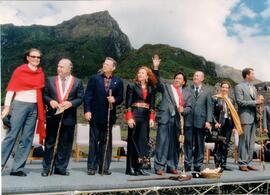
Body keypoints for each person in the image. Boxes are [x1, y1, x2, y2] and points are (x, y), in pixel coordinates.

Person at [1, 48, 45, 176]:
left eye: (38, 57)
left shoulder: (40, 73)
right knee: (12, 135)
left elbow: (41, 92)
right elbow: (11, 89)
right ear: (28, 57)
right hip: (20, 104)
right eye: (33, 56)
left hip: (34, 106)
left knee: (27, 138)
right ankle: (1, 163)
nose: (36, 59)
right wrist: (7, 107)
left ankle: (17, 168)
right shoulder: (19, 71)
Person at [41, 58, 84, 176]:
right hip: (53, 115)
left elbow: (80, 98)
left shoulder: (77, 82)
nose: (58, 68)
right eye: (58, 66)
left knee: (65, 144)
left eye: (61, 67)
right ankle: (47, 168)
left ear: (69, 68)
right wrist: (50, 102)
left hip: (69, 117)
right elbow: (44, 95)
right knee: (50, 142)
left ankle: (61, 168)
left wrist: (71, 103)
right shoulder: (50, 80)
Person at [152, 55, 193, 175]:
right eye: (176, 78)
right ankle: (159, 167)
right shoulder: (166, 87)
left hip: (177, 121)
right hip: (165, 118)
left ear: (184, 82)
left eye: (180, 78)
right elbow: (157, 82)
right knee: (162, 142)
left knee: (174, 145)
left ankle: (171, 166)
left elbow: (189, 108)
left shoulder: (187, 93)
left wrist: (183, 110)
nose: (177, 79)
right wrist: (155, 67)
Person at [84, 57, 124, 175]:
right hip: (95, 115)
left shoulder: (118, 81)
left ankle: (104, 167)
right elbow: (88, 96)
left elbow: (121, 97)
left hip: (108, 117)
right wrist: (87, 111)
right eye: (104, 64)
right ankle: (91, 167)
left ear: (113, 67)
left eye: (107, 64)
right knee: (93, 142)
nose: (105, 65)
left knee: (106, 142)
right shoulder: (94, 79)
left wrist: (114, 99)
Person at [125, 66, 157, 176]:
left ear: (147, 76)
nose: (140, 74)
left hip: (145, 117)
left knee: (143, 143)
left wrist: (152, 119)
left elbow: (152, 106)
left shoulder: (151, 89)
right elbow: (128, 104)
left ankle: (140, 167)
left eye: (142, 73)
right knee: (133, 142)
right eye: (139, 73)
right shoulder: (131, 86)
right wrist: (129, 117)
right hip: (135, 114)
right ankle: (131, 168)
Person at [234, 68, 264, 171]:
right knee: (244, 141)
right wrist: (256, 102)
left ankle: (249, 162)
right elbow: (240, 102)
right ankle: (242, 163)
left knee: (251, 141)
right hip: (244, 117)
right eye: (252, 73)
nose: (254, 75)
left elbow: (256, 102)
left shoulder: (254, 88)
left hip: (253, 118)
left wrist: (260, 102)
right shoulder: (239, 87)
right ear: (247, 75)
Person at [212, 80, 243, 172]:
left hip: (228, 124)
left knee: (226, 144)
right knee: (218, 144)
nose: (225, 89)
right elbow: (212, 112)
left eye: (226, 87)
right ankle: (217, 165)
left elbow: (233, 114)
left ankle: (224, 164)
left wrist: (234, 126)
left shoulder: (231, 100)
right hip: (219, 124)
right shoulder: (215, 98)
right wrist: (215, 122)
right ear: (220, 88)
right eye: (223, 87)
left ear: (229, 89)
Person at [187, 71, 212, 172]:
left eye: (197, 76)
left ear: (202, 78)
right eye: (194, 75)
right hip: (188, 120)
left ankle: (198, 164)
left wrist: (208, 121)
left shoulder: (207, 91)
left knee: (199, 144)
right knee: (188, 143)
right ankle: (187, 164)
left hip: (201, 121)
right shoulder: (188, 89)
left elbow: (209, 107)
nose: (195, 77)